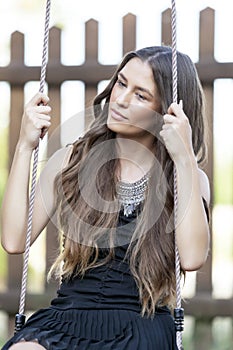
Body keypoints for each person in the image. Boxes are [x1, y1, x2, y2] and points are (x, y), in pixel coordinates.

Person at [1, 46, 210, 350]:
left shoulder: (186, 177)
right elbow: (14, 239)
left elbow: (192, 259)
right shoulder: (73, 160)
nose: (121, 99)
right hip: (66, 320)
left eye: (141, 95)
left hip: (142, 326)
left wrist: (185, 159)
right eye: (121, 84)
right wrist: (24, 146)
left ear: (167, 111)